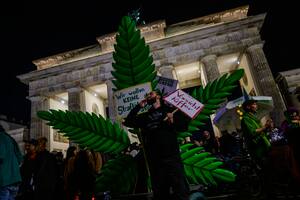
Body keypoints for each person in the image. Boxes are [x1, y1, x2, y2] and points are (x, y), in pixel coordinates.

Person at [123, 91, 190, 200]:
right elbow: (128, 121)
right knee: (160, 193)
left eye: (151, 94)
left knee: (180, 189)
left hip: (171, 157)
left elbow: (183, 126)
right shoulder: (145, 116)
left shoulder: (169, 111)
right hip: (155, 160)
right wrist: (138, 106)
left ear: (158, 96)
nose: (148, 96)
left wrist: (173, 120)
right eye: (147, 95)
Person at [0, 125, 23, 200]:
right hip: (15, 180)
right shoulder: (11, 139)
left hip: (4, 180)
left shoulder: (0, 137)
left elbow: (1, 155)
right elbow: (20, 159)